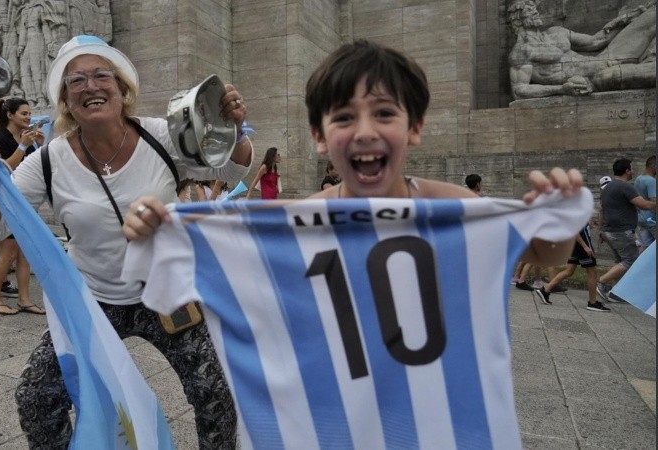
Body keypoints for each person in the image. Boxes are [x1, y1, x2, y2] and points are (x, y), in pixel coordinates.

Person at [123, 39, 586, 448]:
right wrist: (161, 225)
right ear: (320, 139)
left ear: (414, 128)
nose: (365, 130)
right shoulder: (305, 218)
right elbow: (224, 240)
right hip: (339, 411)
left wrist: (556, 217)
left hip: (431, 415)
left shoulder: (454, 207)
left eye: (384, 113)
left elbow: (545, 255)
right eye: (344, 117)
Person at [0, 35, 251, 448]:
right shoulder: (47, 160)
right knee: (36, 398)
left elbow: (233, 171)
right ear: (65, 99)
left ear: (122, 89)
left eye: (101, 76)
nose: (91, 86)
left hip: (166, 295)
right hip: (94, 301)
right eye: (76, 80)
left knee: (216, 398)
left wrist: (233, 128)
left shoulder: (161, 136)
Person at [507, 0, 656, 99]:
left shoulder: (556, 31)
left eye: (534, 9)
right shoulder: (522, 51)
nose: (535, 12)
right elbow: (519, 90)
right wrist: (561, 89)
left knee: (653, 15)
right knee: (630, 73)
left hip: (607, 58)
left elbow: (596, 41)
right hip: (598, 78)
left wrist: (626, 18)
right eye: (529, 11)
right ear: (519, 21)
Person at [0, 96, 45, 315]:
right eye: (24, 114)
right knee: (7, 253)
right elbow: (3, 168)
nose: (29, 117)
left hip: (25, 201)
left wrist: (40, 146)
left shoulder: (24, 138)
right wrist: (23, 146)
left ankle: (24, 299)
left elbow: (32, 170)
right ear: (10, 115)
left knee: (25, 253)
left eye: (29, 113)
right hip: (8, 202)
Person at [597, 158, 656, 301]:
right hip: (621, 232)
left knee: (620, 262)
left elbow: (602, 210)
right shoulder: (625, 186)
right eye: (632, 168)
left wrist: (600, 230)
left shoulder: (609, 187)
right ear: (627, 171)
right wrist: (654, 201)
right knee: (631, 260)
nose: (633, 171)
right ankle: (601, 282)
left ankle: (615, 293)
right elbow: (645, 205)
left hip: (609, 231)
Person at [536, 223, 611, 311]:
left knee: (569, 271)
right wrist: (585, 246)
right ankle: (592, 303)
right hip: (582, 245)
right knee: (592, 274)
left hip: (574, 244)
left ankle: (546, 289)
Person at [634, 155, 656, 250]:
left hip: (641, 219)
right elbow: (654, 202)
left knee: (646, 247)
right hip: (652, 219)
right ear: (653, 166)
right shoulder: (651, 181)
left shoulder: (638, 179)